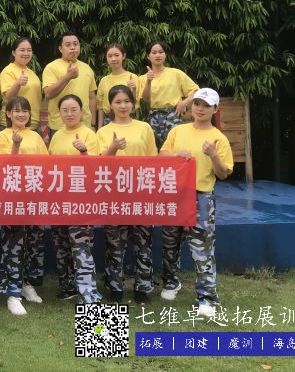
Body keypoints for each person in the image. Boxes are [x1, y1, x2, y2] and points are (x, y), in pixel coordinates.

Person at [159, 87, 233, 318]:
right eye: (197, 104)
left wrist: (213, 155)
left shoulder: (219, 139)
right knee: (169, 243)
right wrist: (176, 156)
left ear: (215, 110)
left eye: (206, 106)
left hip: (201, 197)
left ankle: (207, 297)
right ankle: (171, 282)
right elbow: (161, 155)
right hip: (174, 194)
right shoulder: (177, 131)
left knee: (202, 248)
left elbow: (223, 174)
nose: (200, 109)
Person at [96, 85, 157, 305]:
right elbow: (99, 165)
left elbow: (153, 159)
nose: (123, 106)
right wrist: (113, 147)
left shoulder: (144, 128)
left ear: (133, 103)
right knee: (115, 244)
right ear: (110, 105)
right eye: (118, 102)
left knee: (143, 243)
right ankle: (115, 288)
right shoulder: (103, 132)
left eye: (126, 101)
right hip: (114, 194)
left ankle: (143, 289)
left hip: (141, 192)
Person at [47, 94, 102, 304]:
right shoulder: (56, 136)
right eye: (65, 110)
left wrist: (84, 152)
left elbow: (96, 168)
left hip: (81, 198)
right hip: (58, 198)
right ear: (59, 113)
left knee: (81, 245)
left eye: (73, 110)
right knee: (61, 244)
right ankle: (67, 286)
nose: (69, 114)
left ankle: (88, 293)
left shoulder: (89, 134)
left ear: (82, 111)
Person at [0, 96, 48, 315]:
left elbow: (46, 164)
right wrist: (15, 145)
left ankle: (26, 285)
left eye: (25, 111)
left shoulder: (35, 136)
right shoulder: (2, 135)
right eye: (16, 111)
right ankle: (12, 293)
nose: (21, 114)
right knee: (13, 245)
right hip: (13, 197)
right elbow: (6, 166)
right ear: (8, 114)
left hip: (34, 196)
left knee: (33, 243)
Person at [139, 40, 199, 148]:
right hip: (153, 117)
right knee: (155, 149)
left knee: (176, 146)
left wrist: (184, 103)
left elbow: (196, 91)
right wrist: (148, 81)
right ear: (148, 56)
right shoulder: (142, 78)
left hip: (173, 115)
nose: (158, 55)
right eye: (154, 52)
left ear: (165, 54)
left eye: (161, 52)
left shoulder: (176, 73)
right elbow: (146, 99)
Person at [42, 32, 97, 137]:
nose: (72, 47)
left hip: (84, 126)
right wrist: (67, 77)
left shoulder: (87, 68)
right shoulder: (51, 67)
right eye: (68, 45)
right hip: (59, 126)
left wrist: (93, 124)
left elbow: (92, 98)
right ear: (60, 49)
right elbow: (48, 94)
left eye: (75, 44)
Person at [0, 37, 43, 131]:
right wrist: (18, 84)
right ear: (13, 53)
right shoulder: (8, 71)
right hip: (12, 123)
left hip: (32, 123)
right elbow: (8, 96)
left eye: (29, 50)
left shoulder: (32, 73)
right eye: (22, 50)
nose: (26, 53)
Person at [96, 43, 139, 128]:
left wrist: (133, 89)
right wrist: (100, 126)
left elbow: (134, 103)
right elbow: (100, 107)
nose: (113, 59)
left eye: (116, 55)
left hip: (128, 119)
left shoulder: (132, 77)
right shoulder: (104, 80)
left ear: (123, 56)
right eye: (110, 56)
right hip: (108, 121)